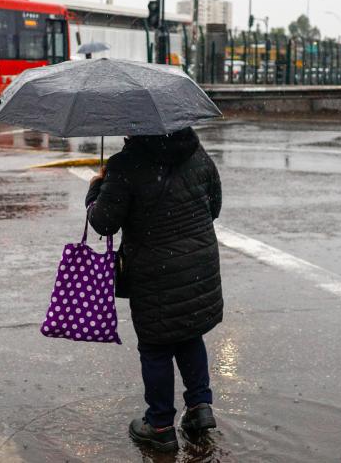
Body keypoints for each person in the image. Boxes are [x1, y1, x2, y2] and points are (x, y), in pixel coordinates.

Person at [85, 127, 223, 452]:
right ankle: (200, 408)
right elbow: (213, 207)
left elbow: (104, 222)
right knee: (189, 333)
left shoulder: (126, 164)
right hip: (199, 265)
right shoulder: (197, 153)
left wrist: (95, 190)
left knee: (156, 345)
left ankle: (160, 425)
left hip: (154, 270)